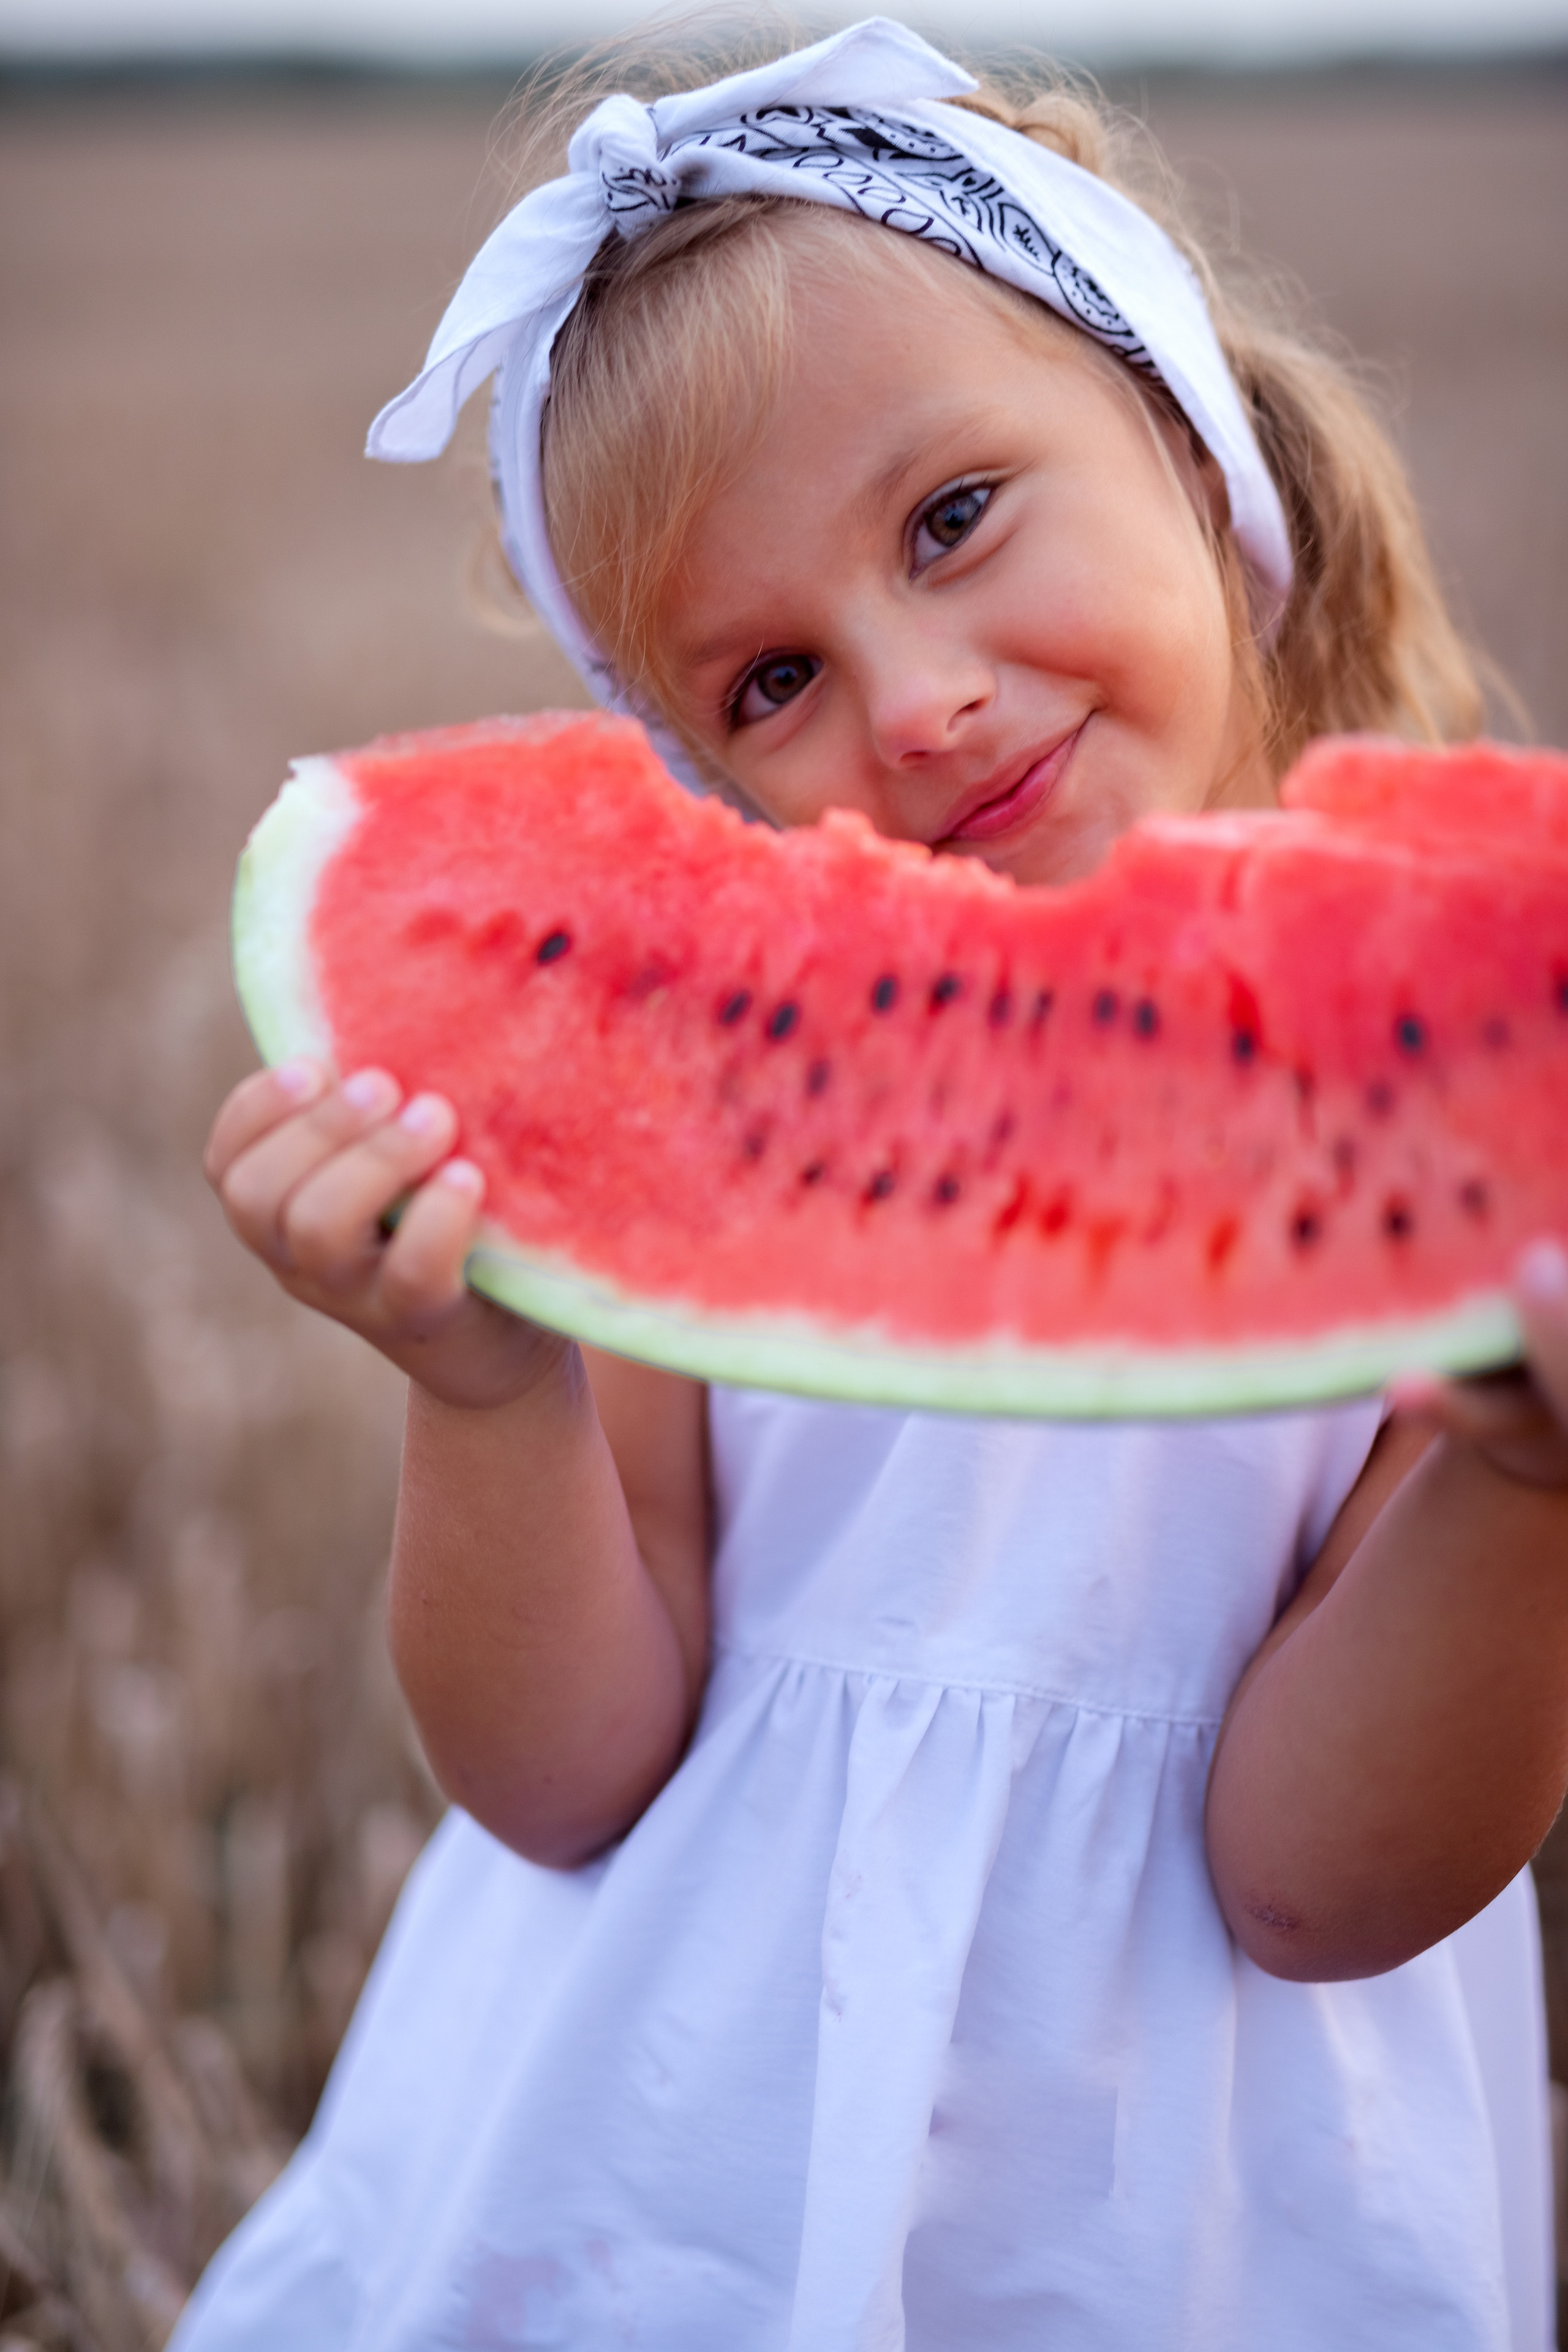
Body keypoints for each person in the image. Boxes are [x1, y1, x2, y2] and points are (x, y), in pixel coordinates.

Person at [178, 22, 1568, 2348]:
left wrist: (1527, 1488)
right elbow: (561, 1779)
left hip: (1168, 2222)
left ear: (1190, 438)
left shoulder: (1448, 1122)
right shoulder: (685, 1126)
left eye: (953, 521)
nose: (914, 704)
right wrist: (489, 1390)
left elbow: (1319, 1893)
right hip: (667, 2166)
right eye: (765, 682)